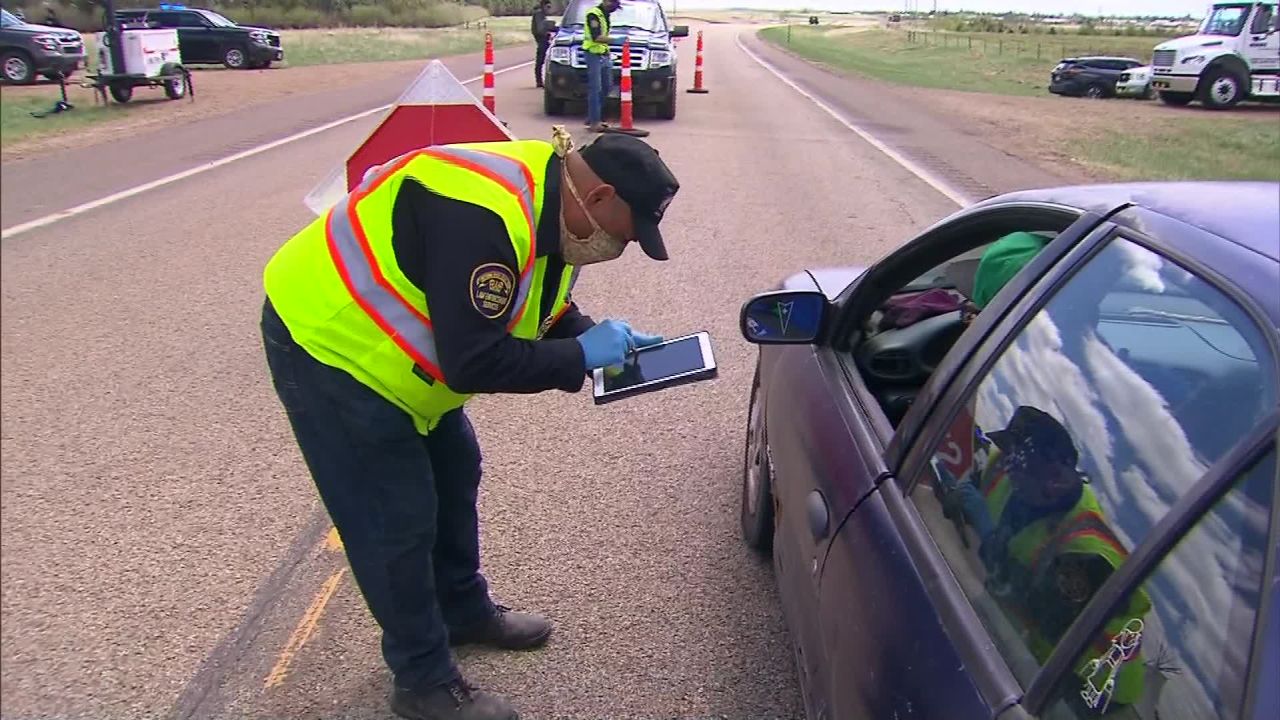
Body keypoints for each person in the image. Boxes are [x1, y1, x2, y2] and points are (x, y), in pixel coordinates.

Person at [259, 129, 680, 720]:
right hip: (329, 342)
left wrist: (585, 335)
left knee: (457, 470)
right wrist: (580, 358)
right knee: (395, 516)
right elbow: (474, 360)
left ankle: (461, 609)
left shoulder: (554, 205)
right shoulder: (481, 216)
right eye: (626, 232)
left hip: (402, 360)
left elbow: (536, 303)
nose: (622, 246)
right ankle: (423, 680)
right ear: (602, 195)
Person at [944, 406, 1151, 711]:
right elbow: (982, 474)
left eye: (1017, 462)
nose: (1007, 468)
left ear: (1054, 479)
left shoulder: (1088, 554)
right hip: (1031, 661)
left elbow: (1032, 604)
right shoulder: (1023, 481)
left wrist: (987, 534)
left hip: (1088, 694)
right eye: (1009, 454)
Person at [583, 0, 619, 132]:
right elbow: (596, 37)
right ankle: (594, 122)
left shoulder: (605, 14)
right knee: (595, 88)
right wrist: (617, 40)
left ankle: (593, 117)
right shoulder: (593, 14)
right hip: (593, 54)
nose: (614, 7)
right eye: (613, 3)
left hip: (604, 54)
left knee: (607, 86)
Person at [531, 0, 552, 88]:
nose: (549, 9)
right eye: (548, 7)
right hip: (542, 39)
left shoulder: (540, 14)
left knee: (542, 59)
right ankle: (539, 81)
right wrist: (551, 28)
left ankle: (540, 81)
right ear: (544, 6)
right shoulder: (539, 14)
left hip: (543, 39)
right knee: (541, 60)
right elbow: (540, 28)